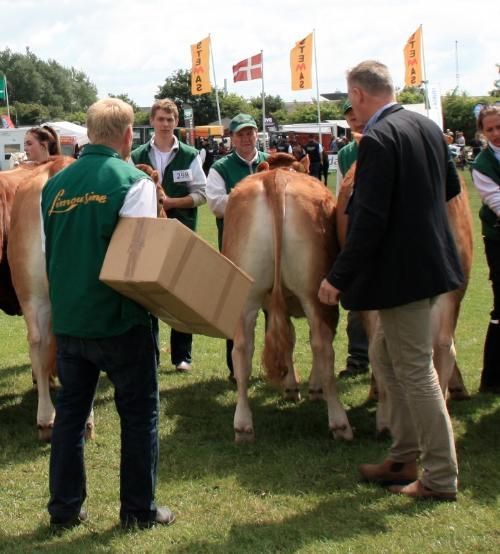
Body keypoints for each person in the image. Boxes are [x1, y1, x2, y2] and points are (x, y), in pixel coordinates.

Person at [318, 60, 463, 501]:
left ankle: (439, 476)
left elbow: (370, 219)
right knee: (383, 356)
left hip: (404, 276)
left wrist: (337, 277)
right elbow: (450, 191)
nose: (350, 107)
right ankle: (404, 455)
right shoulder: (426, 128)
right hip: (427, 266)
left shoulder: (378, 139)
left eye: (349, 99)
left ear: (359, 94)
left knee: (416, 371)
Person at [41, 98, 175, 529]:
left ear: (87, 133)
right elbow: (141, 261)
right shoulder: (133, 181)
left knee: (71, 417)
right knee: (139, 416)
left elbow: (51, 254)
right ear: (125, 135)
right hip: (120, 320)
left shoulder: (54, 186)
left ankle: (64, 508)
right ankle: (138, 511)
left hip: (70, 320)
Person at [132, 98, 207, 373]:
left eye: (170, 119)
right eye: (160, 119)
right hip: (146, 235)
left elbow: (202, 194)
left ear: (176, 123)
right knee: (148, 296)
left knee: (181, 294)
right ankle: (150, 354)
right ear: (152, 121)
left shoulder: (189, 154)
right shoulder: (137, 154)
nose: (165, 124)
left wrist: (172, 203)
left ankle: (182, 356)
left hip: (181, 231)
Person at [206, 113, 269, 380]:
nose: (246, 138)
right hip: (237, 251)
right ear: (231, 138)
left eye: (250, 132)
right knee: (237, 309)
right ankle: (237, 369)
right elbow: (216, 205)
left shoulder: (270, 161)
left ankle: (274, 363)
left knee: (274, 308)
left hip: (271, 249)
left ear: (257, 135)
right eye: (240, 134)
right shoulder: (220, 167)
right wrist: (251, 194)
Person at [335, 100, 370, 379]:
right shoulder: (346, 153)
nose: (354, 120)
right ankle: (358, 356)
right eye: (349, 117)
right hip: (355, 230)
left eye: (356, 114)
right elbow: (340, 195)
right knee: (356, 295)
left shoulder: (384, 142)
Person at [471, 105, 500, 394]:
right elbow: (497, 202)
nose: (495, 134)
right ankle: (491, 379)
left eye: (499, 127)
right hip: (497, 240)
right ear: (482, 132)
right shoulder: (481, 165)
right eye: (489, 129)